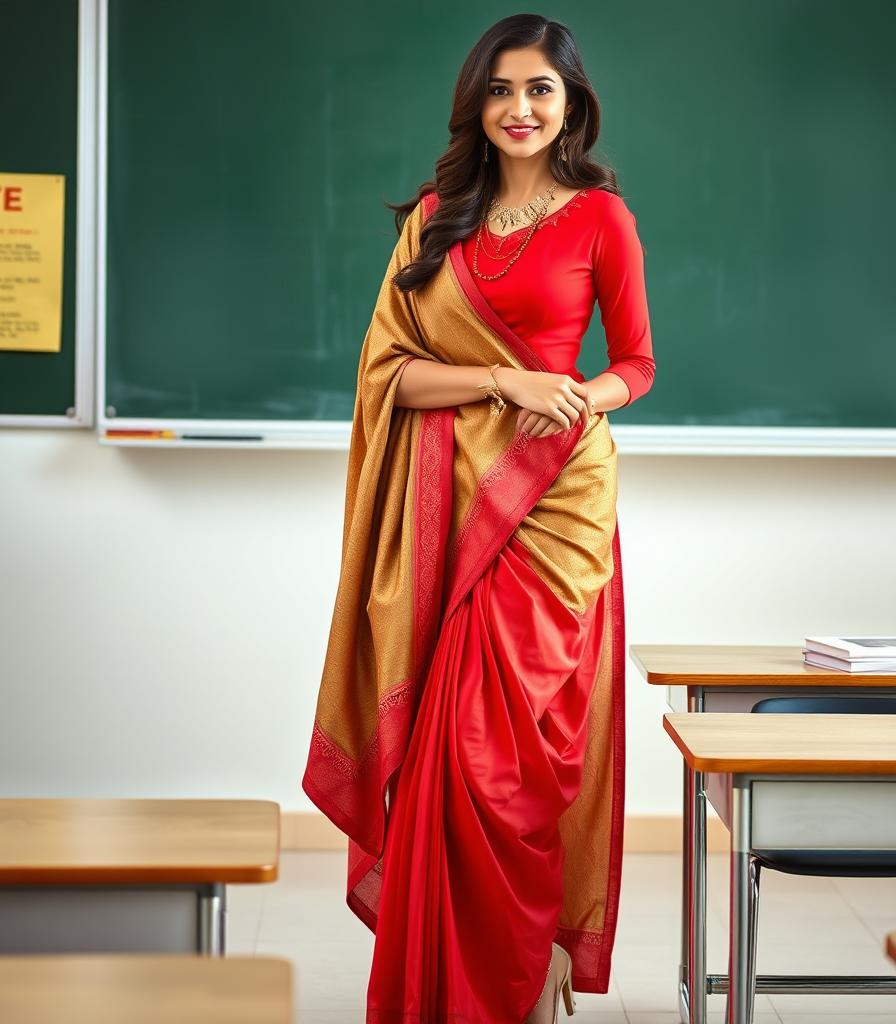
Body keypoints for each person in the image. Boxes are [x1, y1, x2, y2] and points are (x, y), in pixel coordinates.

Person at [302, 13, 655, 1024]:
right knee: (452, 755)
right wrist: (504, 379)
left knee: (526, 765)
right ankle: (450, 987)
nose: (520, 108)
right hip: (448, 518)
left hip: (554, 511)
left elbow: (636, 362)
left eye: (540, 90)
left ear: (571, 104)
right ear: (477, 103)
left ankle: (528, 973)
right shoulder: (434, 219)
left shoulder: (600, 220)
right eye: (501, 90)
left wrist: (585, 396)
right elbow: (388, 378)